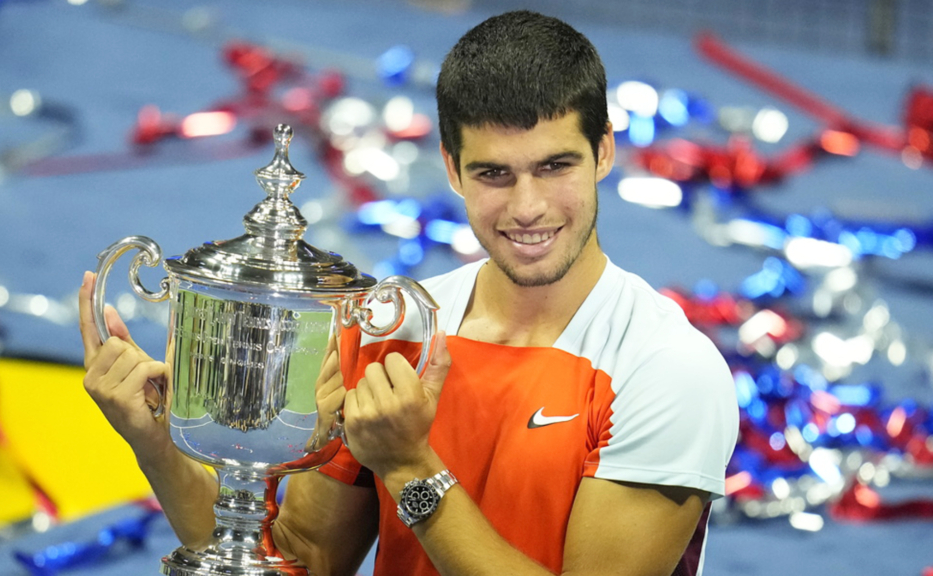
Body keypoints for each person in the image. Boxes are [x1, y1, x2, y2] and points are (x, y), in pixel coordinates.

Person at [79, 10, 738, 576]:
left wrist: (409, 470)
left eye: (554, 166)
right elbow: (296, 561)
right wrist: (156, 444)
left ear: (603, 153)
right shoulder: (393, 329)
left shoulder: (667, 370)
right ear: (452, 170)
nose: (529, 206)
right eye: (494, 174)